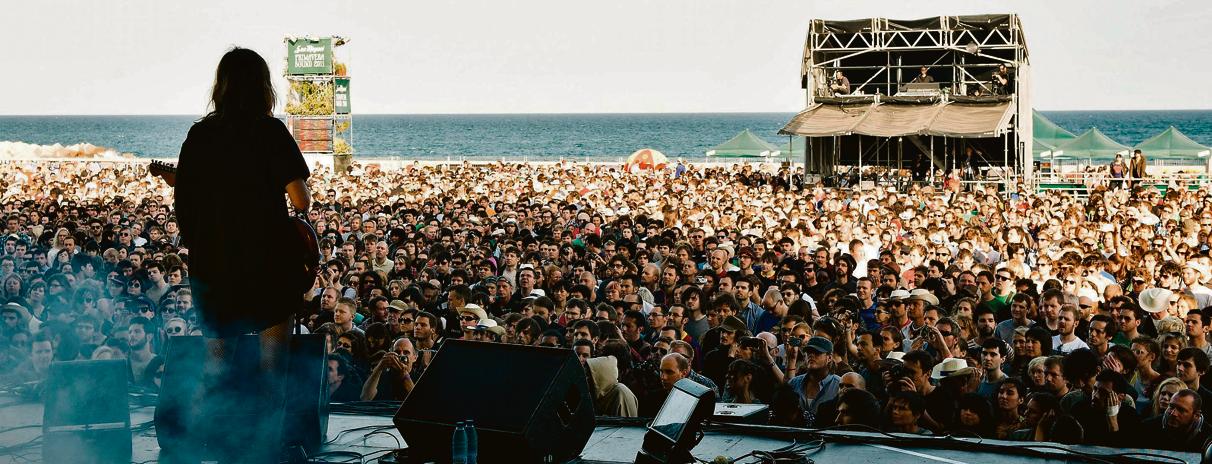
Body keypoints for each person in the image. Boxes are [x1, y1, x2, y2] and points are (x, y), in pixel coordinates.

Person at [167, 47, 312, 464]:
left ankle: (210, 443)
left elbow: (186, 199)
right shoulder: (271, 132)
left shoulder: (199, 135)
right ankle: (267, 449)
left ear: (222, 86)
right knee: (272, 369)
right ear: (263, 86)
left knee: (216, 367)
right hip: (267, 265)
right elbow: (299, 201)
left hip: (214, 267)